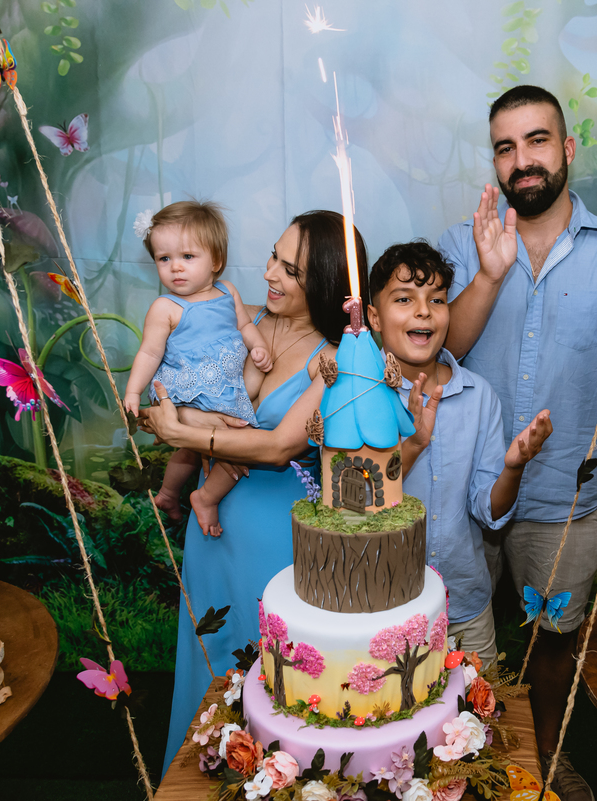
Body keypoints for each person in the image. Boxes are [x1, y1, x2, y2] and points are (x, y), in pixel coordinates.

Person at [438, 84, 597, 801]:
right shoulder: (462, 244)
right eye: (506, 147)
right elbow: (440, 348)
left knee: (556, 643)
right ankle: (461, 768)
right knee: (452, 642)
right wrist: (488, 276)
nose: (522, 160)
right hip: (462, 494)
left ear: (568, 149)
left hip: (565, 495)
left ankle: (547, 757)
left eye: (537, 140)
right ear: (494, 160)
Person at [139, 210, 367, 776]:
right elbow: (178, 382)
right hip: (212, 533)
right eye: (273, 256)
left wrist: (184, 433)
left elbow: (279, 446)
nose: (269, 273)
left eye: (290, 269)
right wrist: (171, 411)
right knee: (208, 661)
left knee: (271, 683)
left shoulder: (336, 356)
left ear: (325, 283)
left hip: (278, 544)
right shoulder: (241, 320)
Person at [368, 240, 553, 667]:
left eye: (437, 299)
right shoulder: (359, 392)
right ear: (374, 317)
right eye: (404, 299)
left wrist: (513, 468)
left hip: (464, 607)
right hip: (382, 607)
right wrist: (413, 445)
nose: (423, 311)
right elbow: (355, 508)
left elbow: (488, 510)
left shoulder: (478, 395)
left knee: (476, 709)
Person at [125, 201, 272, 538]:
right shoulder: (165, 307)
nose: (175, 267)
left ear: (215, 261)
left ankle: (169, 494)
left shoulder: (227, 291)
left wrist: (258, 345)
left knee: (200, 449)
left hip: (224, 386)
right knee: (226, 446)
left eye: (188, 256)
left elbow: (244, 325)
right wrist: (133, 390)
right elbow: (149, 352)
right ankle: (205, 498)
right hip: (188, 386)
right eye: (164, 259)